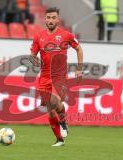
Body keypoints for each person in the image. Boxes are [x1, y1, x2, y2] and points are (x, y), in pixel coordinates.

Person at [29, 7, 83, 146]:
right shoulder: (38, 37)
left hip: (60, 77)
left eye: (54, 18)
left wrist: (79, 67)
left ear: (58, 19)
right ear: (45, 19)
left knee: (54, 101)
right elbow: (32, 55)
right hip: (44, 77)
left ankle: (63, 120)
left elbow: (78, 48)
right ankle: (59, 139)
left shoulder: (66, 35)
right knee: (50, 111)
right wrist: (33, 60)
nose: (51, 20)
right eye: (48, 17)